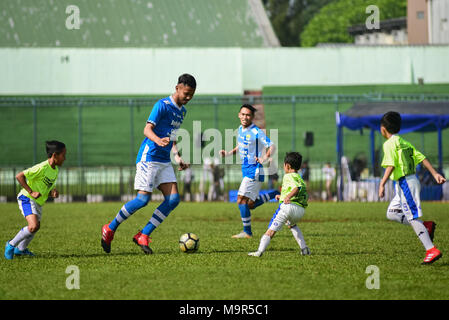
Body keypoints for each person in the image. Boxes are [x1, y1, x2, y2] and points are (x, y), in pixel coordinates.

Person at [101, 74, 196, 254]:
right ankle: (110, 228)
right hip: (149, 157)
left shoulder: (182, 111)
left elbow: (172, 136)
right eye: (186, 93)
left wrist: (177, 156)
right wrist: (158, 140)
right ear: (177, 88)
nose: (188, 98)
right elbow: (147, 129)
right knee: (143, 199)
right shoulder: (161, 105)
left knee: (174, 199)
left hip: (164, 160)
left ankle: (143, 235)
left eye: (192, 94)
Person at [378, 111, 446, 265]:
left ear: (383, 129)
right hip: (408, 182)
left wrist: (381, 183)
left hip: (406, 183)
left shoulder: (389, 144)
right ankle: (425, 226)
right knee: (392, 213)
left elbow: (391, 165)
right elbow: (421, 158)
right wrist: (435, 174)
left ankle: (431, 250)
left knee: (412, 216)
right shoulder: (404, 142)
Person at [219, 104, 279, 239]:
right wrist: (228, 153)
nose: (245, 117)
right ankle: (274, 194)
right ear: (239, 115)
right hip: (247, 170)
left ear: (252, 117)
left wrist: (264, 157)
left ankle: (247, 232)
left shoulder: (256, 131)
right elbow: (241, 145)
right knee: (250, 204)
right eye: (243, 114)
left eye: (248, 115)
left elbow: (272, 146)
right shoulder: (240, 129)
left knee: (241, 200)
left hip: (255, 170)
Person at [4, 141, 66, 259]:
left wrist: (52, 192)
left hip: (37, 202)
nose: (65, 158)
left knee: (35, 227)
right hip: (26, 198)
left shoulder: (55, 170)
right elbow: (19, 176)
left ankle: (20, 250)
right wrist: (31, 191)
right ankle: (10, 245)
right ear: (55, 155)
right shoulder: (41, 167)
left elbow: (46, 189)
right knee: (33, 226)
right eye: (63, 155)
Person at [248, 152, 310, 257]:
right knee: (292, 225)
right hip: (300, 210)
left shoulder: (289, 176)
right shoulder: (300, 178)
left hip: (288, 208)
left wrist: (287, 197)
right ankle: (304, 249)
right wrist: (281, 196)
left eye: (284, 165)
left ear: (288, 166)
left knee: (271, 231)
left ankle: (259, 251)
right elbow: (298, 189)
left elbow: (296, 188)